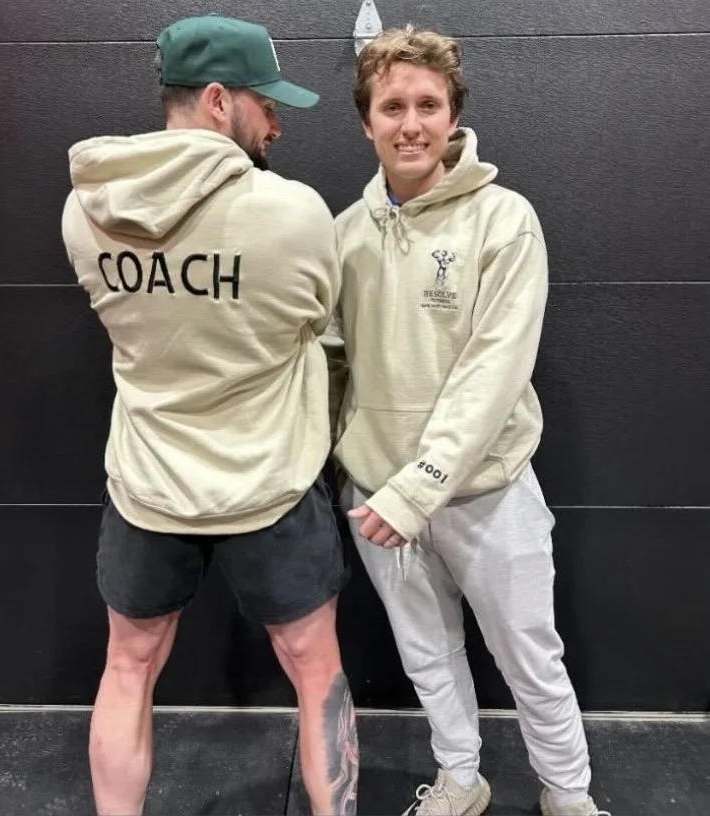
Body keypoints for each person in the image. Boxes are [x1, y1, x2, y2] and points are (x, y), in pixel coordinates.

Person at [61, 14, 358, 816]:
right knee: (317, 670)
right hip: (269, 482)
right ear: (220, 100)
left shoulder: (85, 210)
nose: (278, 120)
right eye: (266, 103)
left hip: (148, 482)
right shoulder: (294, 213)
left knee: (129, 666)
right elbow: (314, 325)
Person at [324, 24, 609, 816]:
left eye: (427, 104)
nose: (409, 123)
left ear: (452, 117)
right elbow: (333, 361)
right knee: (426, 656)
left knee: (528, 657)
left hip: (484, 492)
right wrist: (344, 465)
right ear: (366, 121)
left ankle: (568, 794)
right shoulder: (344, 235)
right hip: (379, 501)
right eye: (392, 106)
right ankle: (459, 778)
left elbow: (493, 371)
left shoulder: (503, 220)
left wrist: (420, 485)